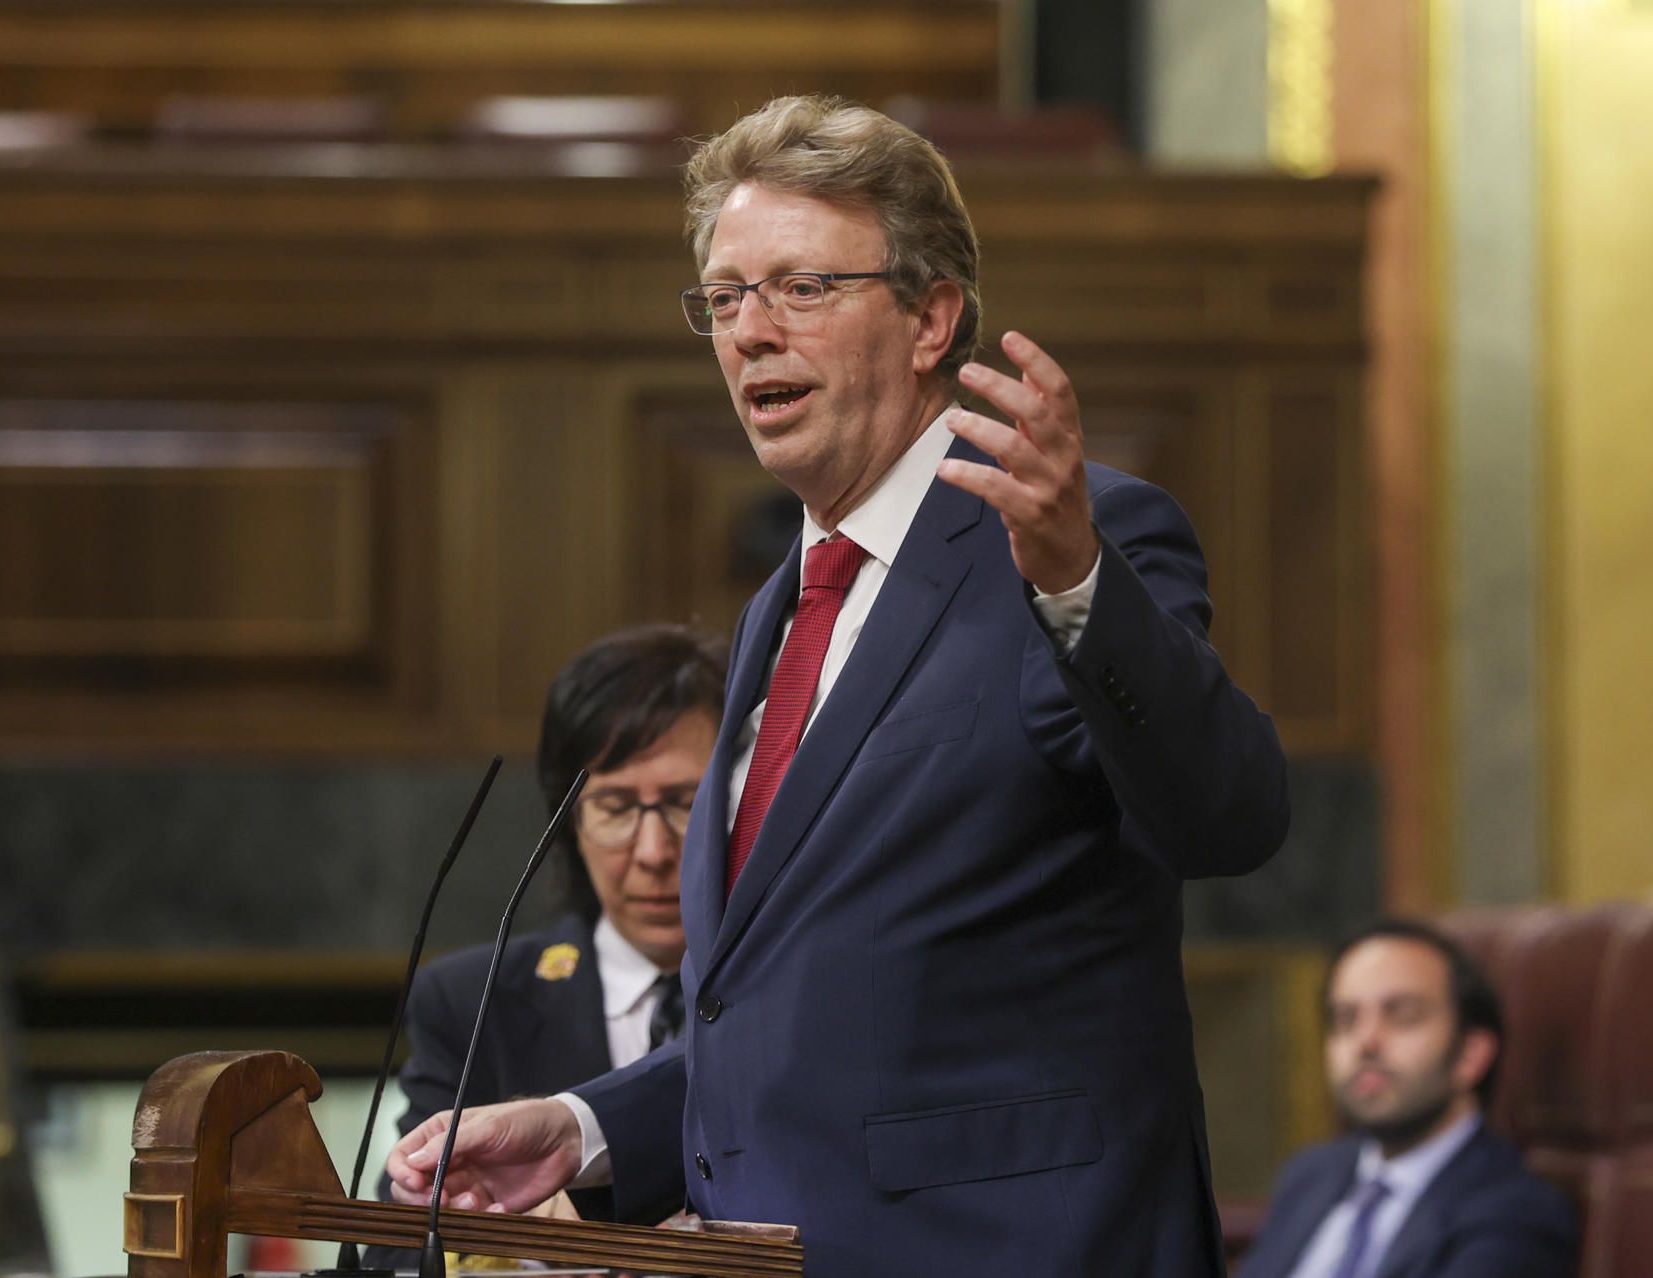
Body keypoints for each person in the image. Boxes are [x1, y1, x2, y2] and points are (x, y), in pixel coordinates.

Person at [387, 94, 1290, 1277]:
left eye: (802, 288)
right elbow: (788, 1010)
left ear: (933, 320)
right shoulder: (784, 606)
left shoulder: (1076, 540)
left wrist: (1076, 582)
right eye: (724, 297)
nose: (750, 332)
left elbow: (1229, 815)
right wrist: (585, 1125)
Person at [382, 623, 725, 1223]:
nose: (652, 851)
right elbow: (402, 1240)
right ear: (567, 821)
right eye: (615, 807)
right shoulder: (475, 1002)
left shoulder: (807, 995)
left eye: (683, 803)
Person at [1235, 920, 1578, 1278]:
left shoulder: (1514, 1213)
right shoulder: (1309, 1174)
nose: (1365, 1041)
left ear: (1469, 1055)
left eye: (1402, 1015)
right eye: (1345, 1019)